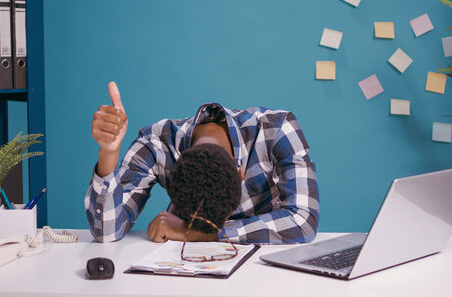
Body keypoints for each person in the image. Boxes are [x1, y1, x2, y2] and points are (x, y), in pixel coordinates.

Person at [85, 82, 320, 244]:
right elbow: (107, 233)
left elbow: (303, 221)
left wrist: (199, 233)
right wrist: (108, 153)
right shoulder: (155, 143)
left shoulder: (277, 130)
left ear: (240, 173)